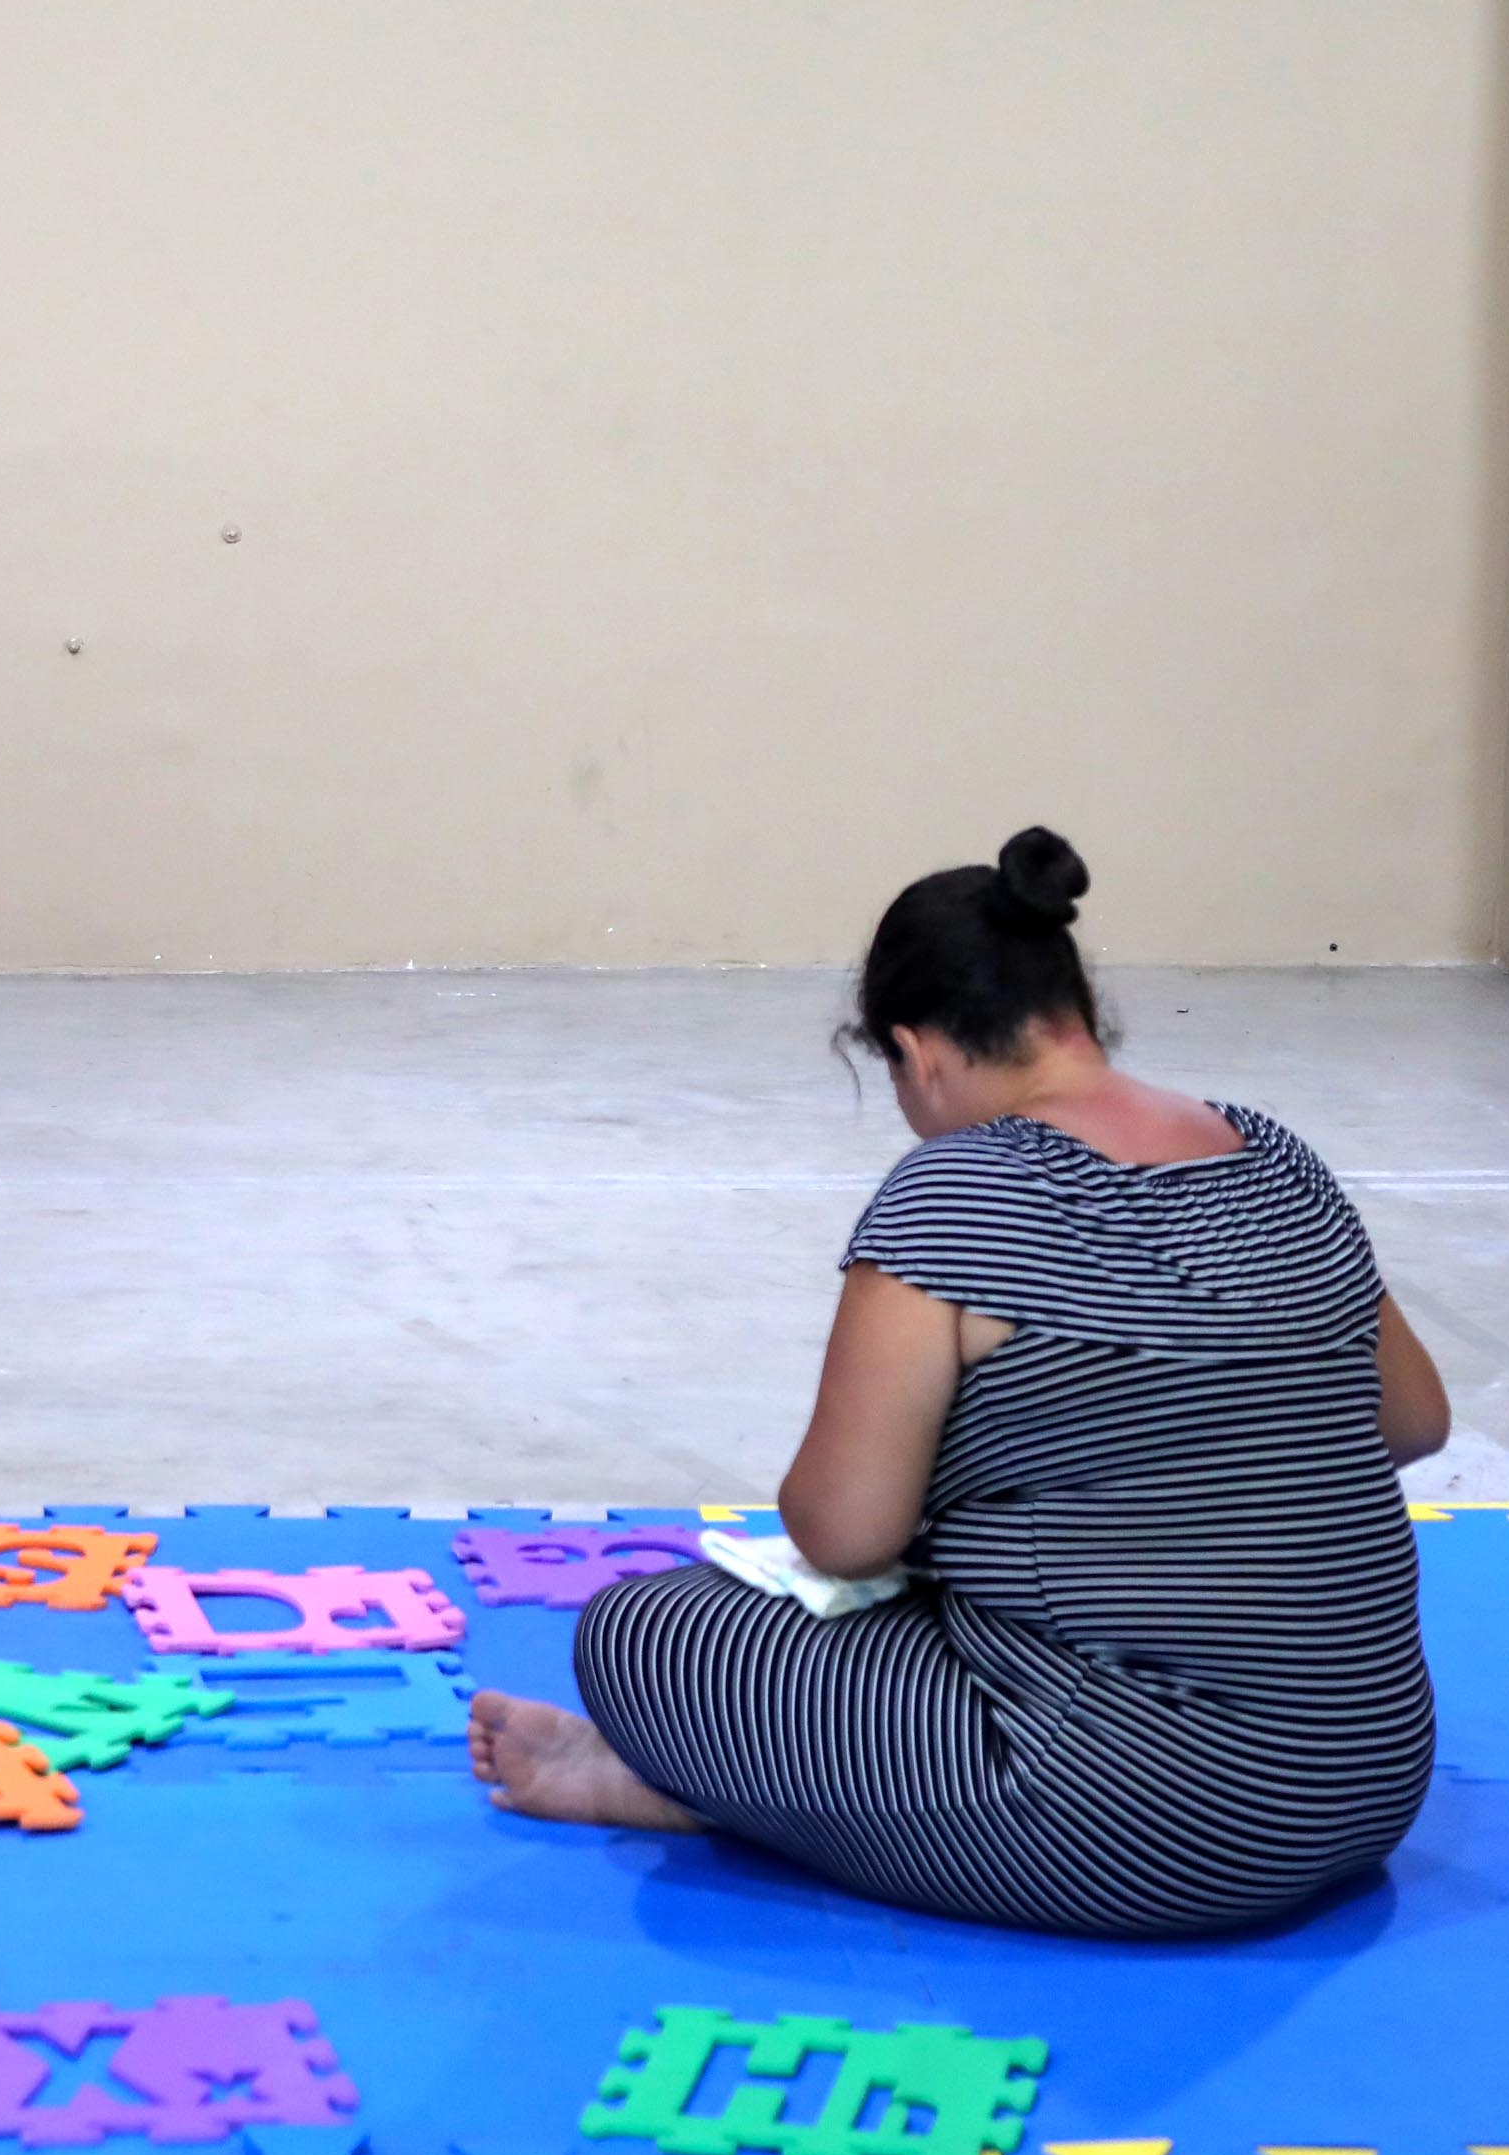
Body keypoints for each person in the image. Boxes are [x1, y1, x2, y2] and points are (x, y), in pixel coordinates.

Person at [470, 828, 1452, 1939]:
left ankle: (712, 1796)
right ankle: (773, 1795)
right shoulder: (1271, 1155)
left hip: (1159, 1832)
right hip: (1369, 1787)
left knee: (646, 1633)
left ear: (915, 1053)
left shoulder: (958, 1196)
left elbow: (846, 1534)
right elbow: (1414, 1420)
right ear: (1079, 1011)